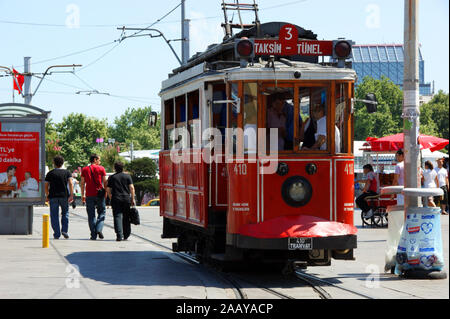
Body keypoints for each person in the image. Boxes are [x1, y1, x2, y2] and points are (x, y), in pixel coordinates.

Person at [45, 156, 73, 239]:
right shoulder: (67, 172)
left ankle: (57, 233)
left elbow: (46, 185)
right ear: (62, 163)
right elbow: (71, 183)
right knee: (65, 213)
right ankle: (64, 230)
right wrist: (71, 195)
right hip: (64, 196)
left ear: (54, 163)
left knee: (54, 215)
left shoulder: (50, 173)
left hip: (53, 197)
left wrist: (47, 195)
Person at [106, 162, 136, 241]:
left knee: (117, 216)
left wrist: (110, 197)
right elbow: (132, 188)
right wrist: (132, 198)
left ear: (115, 168)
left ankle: (119, 235)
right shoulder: (127, 176)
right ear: (123, 168)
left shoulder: (112, 177)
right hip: (126, 198)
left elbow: (108, 189)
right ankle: (126, 234)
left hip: (116, 198)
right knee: (126, 216)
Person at [81, 154, 107, 240]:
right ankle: (99, 228)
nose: (100, 162)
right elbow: (105, 182)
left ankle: (93, 235)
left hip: (89, 195)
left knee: (91, 215)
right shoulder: (101, 168)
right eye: (99, 160)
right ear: (95, 160)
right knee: (102, 212)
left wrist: (82, 195)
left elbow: (82, 183)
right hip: (100, 194)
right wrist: (106, 192)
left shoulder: (84, 169)